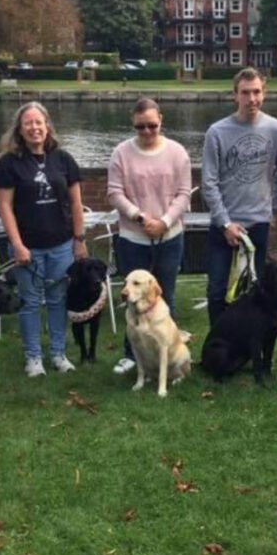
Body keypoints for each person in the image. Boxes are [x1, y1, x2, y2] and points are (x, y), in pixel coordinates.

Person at [0, 102, 87, 377]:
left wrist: (79, 239)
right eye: (28, 124)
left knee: (58, 299)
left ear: (47, 126)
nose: (34, 128)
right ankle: (33, 357)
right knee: (30, 301)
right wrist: (18, 244)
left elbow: (77, 204)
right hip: (27, 247)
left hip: (61, 244)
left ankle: (58, 353)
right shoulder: (9, 163)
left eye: (39, 122)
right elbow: (5, 207)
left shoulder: (63, 159)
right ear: (19, 130)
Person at [107, 98, 192, 375]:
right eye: (140, 127)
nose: (146, 132)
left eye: (152, 126)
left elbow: (184, 193)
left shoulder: (178, 152)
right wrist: (139, 217)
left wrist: (165, 222)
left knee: (164, 293)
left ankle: (168, 349)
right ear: (133, 124)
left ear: (161, 121)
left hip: (170, 236)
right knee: (131, 298)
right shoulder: (121, 153)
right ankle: (132, 353)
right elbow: (114, 192)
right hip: (133, 237)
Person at [201, 67, 277, 325]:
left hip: (259, 224)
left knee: (257, 290)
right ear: (235, 95)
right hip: (224, 226)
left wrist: (272, 210)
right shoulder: (217, 132)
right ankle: (217, 341)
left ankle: (251, 343)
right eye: (245, 93)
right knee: (217, 289)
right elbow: (209, 183)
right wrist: (225, 223)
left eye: (257, 92)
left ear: (264, 93)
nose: (252, 99)